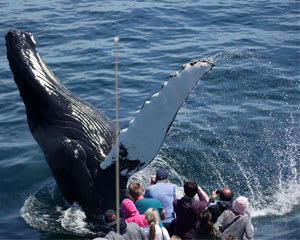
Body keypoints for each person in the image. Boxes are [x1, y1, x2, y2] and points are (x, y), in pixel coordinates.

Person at [145, 168, 176, 234]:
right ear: (167, 180)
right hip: (170, 222)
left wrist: (152, 184)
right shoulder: (172, 187)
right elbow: (174, 201)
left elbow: (146, 202)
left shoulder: (149, 189)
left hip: (156, 223)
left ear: (156, 179)